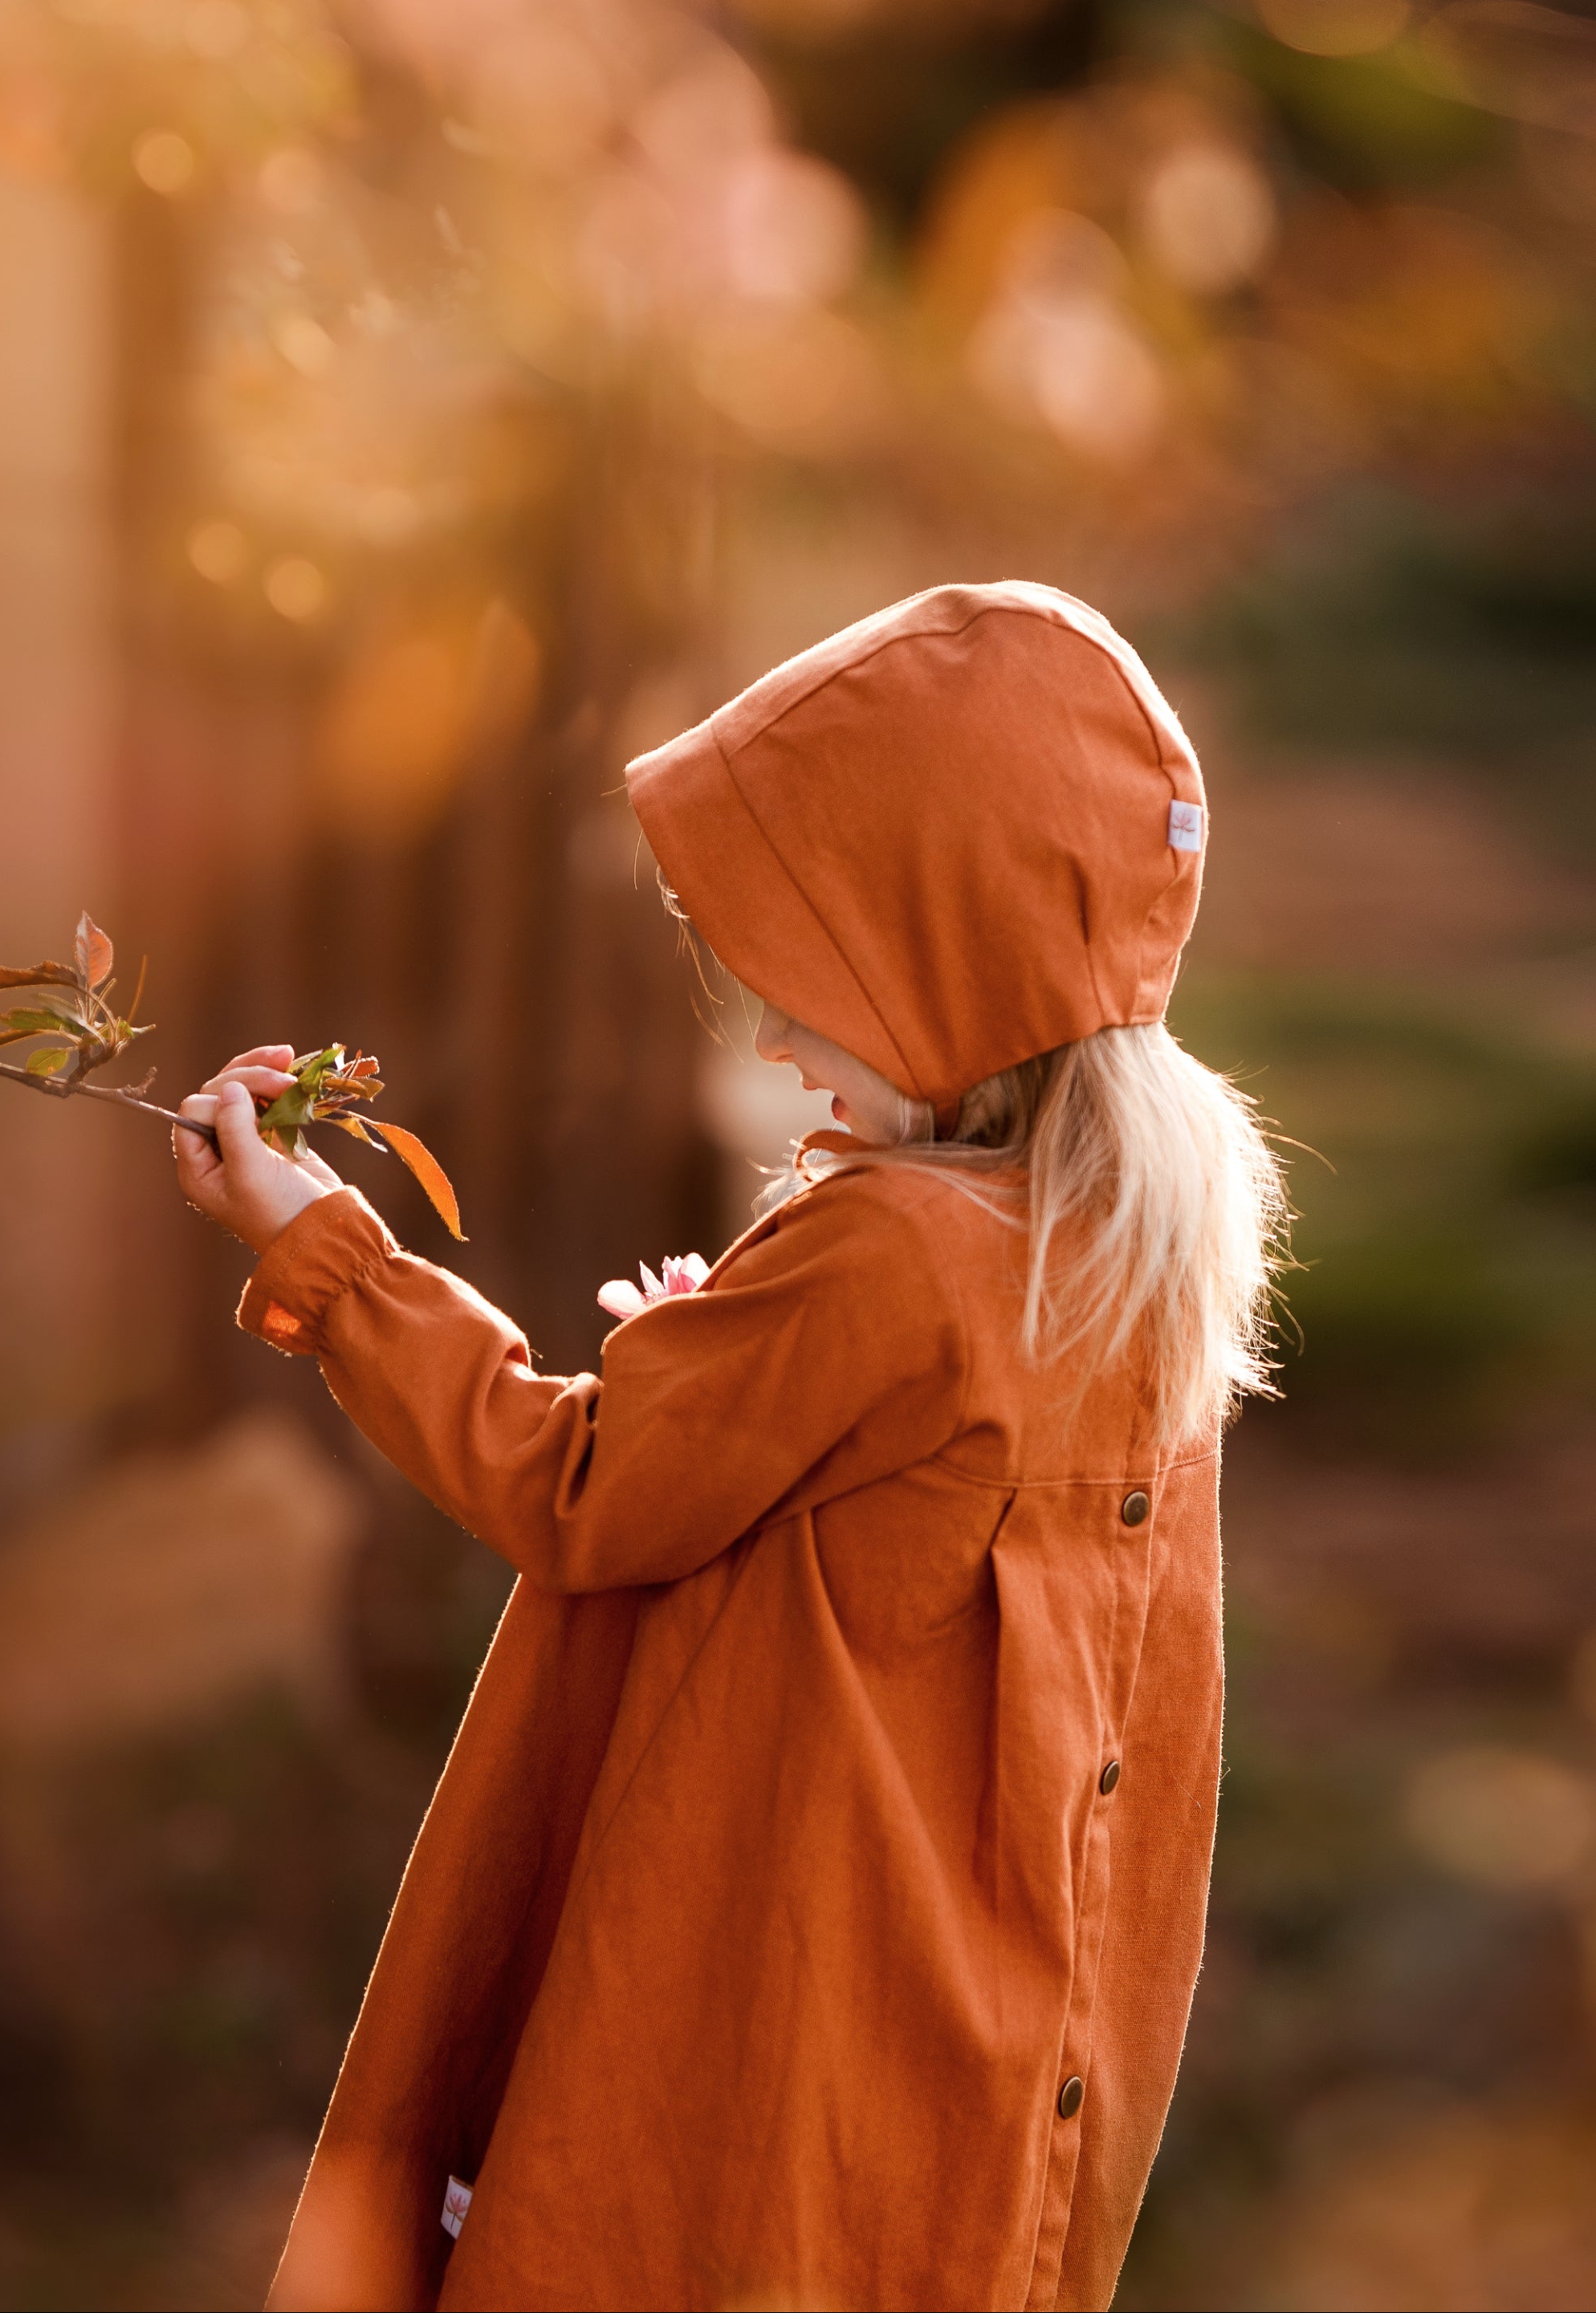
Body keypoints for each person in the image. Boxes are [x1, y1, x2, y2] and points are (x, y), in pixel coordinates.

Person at [173, 580, 1286, 2312]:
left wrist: (330, 1251)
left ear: (945, 954)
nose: (772, 1038)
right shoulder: (1138, 1263)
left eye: (807, 982)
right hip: (973, 2055)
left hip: (772, 2010)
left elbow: (581, 1486)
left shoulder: (898, 1251)